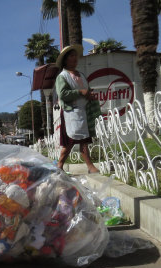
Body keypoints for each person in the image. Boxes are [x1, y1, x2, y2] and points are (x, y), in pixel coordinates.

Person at [54, 44, 100, 174]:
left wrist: (89, 94)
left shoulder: (81, 75)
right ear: (65, 59)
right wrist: (80, 92)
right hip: (71, 112)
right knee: (70, 140)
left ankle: (87, 166)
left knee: (83, 139)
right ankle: (61, 164)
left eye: (75, 56)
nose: (75, 59)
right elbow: (62, 94)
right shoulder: (62, 77)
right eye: (71, 56)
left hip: (83, 111)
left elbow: (86, 89)